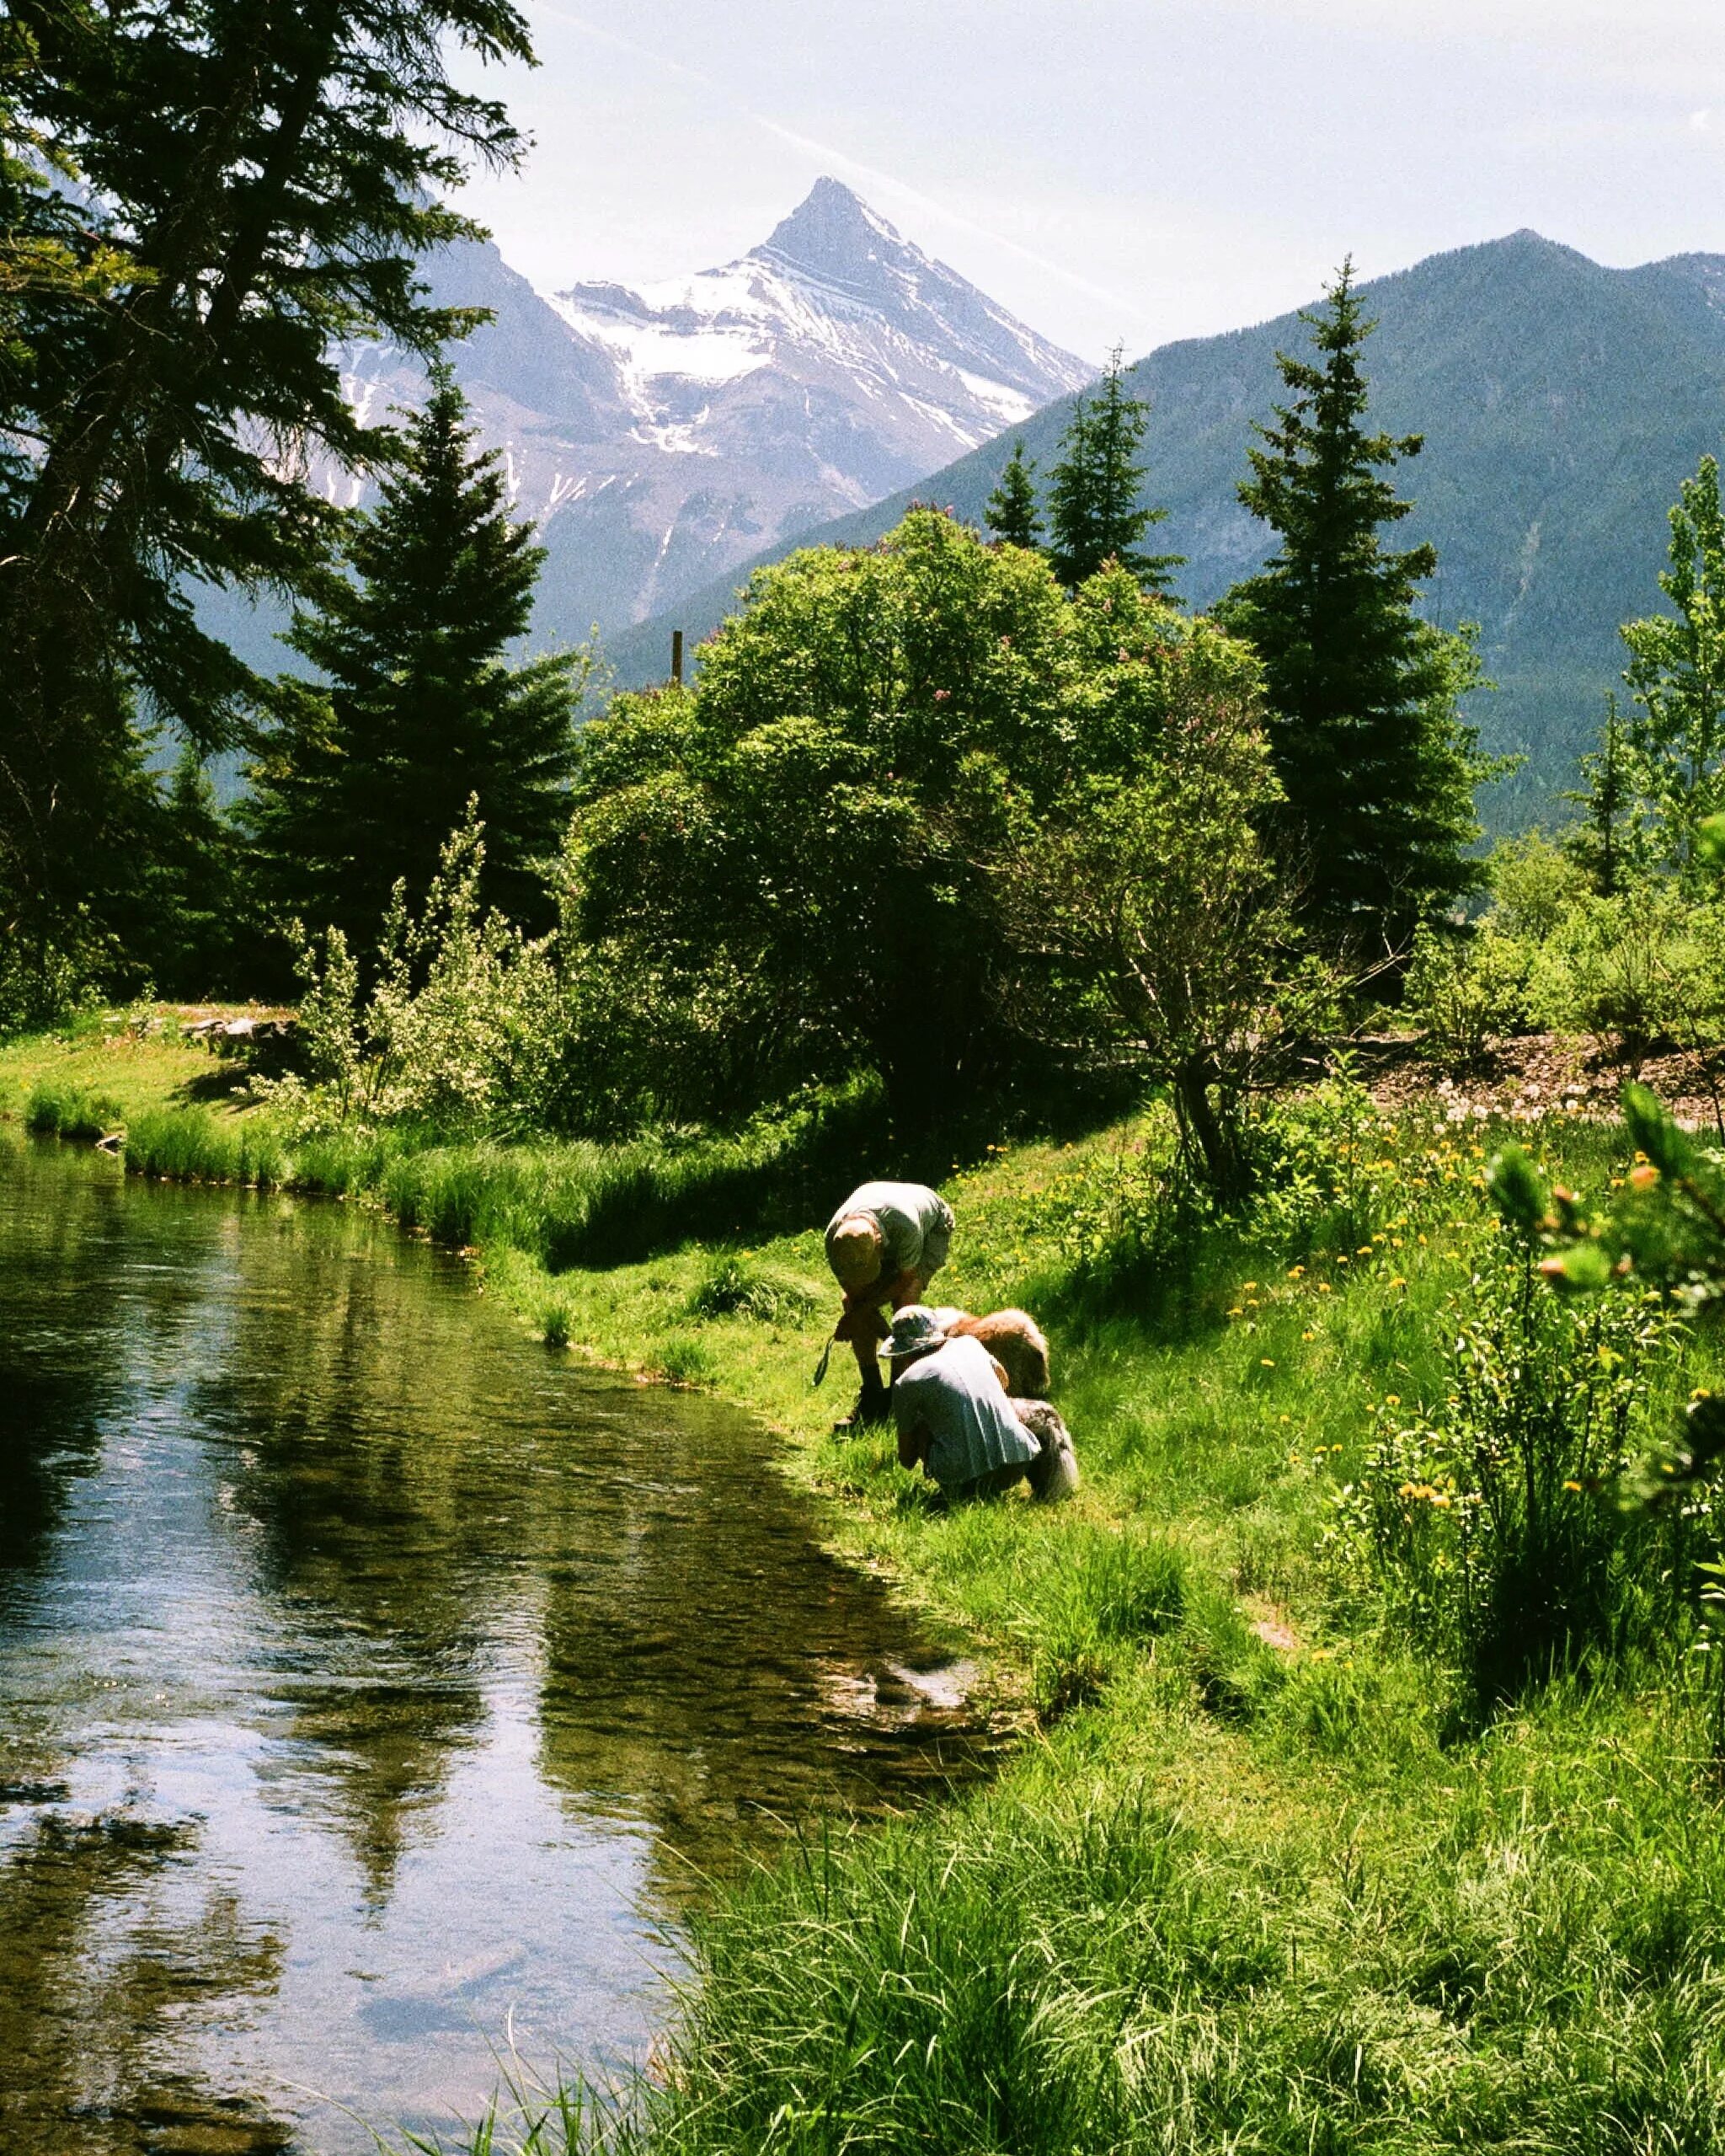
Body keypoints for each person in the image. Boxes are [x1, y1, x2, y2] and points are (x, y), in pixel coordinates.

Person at [886, 1306, 1078, 1505]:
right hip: (1015, 1465)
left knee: (923, 1420)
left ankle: (957, 1491)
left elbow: (907, 1460)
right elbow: (1003, 1381)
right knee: (1028, 1409)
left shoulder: (905, 1384)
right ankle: (1049, 1487)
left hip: (964, 1482)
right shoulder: (969, 1344)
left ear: (901, 1352)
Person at [825, 1180, 955, 1424]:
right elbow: (855, 1298)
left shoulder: (905, 1225)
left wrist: (889, 1335)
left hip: (933, 1224)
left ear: (878, 1242)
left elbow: (905, 1280)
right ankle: (873, 1395)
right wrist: (855, 1314)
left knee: (904, 1305)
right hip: (886, 1218)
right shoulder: (835, 1241)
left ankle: (899, 1394)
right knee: (854, 1307)